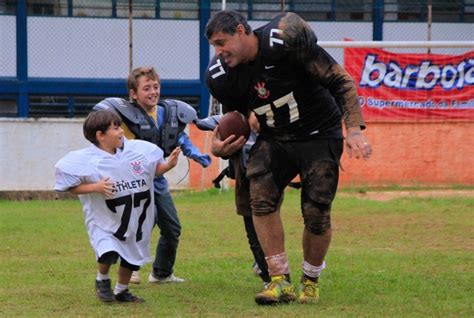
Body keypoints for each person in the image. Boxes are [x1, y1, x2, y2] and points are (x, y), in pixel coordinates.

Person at [205, 11, 372, 305]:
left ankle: (311, 279)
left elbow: (340, 80)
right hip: (276, 137)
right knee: (260, 195)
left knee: (316, 211)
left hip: (319, 132)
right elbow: (237, 116)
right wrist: (221, 143)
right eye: (214, 46)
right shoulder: (221, 75)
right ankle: (279, 280)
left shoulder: (284, 39)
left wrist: (355, 130)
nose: (219, 52)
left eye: (222, 42)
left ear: (242, 31)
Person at [94, 66, 211, 284]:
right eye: (146, 88)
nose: (153, 92)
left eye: (156, 87)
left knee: (172, 226)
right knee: (137, 225)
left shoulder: (166, 112)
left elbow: (178, 136)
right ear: (133, 94)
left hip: (157, 181)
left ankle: (161, 273)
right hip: (132, 182)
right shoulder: (122, 118)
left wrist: (195, 153)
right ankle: (131, 269)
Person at [54, 110, 181, 303]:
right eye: (115, 128)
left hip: (136, 219)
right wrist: (95, 187)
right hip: (105, 220)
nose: (121, 131)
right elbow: (68, 186)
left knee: (131, 258)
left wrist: (168, 165)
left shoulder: (138, 150)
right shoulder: (86, 160)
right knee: (109, 253)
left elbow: (153, 170)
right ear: (100, 135)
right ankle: (102, 280)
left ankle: (122, 290)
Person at [196, 112, 271, 286]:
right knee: (252, 229)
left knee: (268, 223)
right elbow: (202, 123)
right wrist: (219, 136)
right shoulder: (237, 118)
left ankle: (273, 270)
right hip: (245, 182)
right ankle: (267, 274)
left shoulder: (276, 118)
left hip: (269, 179)